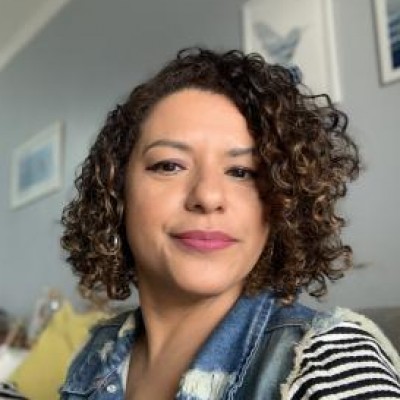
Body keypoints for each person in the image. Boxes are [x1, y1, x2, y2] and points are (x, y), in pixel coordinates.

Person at [59, 48, 400, 399]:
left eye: (242, 172)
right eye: (170, 165)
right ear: (117, 188)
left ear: (283, 201)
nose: (208, 196)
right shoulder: (97, 353)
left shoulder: (328, 361)